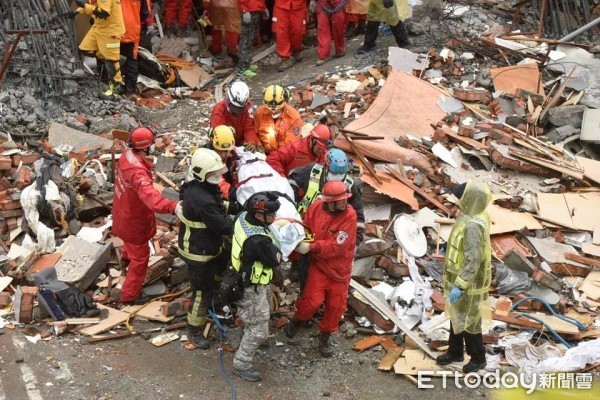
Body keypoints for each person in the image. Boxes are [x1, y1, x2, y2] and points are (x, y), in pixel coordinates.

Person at [285, 180, 357, 357]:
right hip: (319, 266)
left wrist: (312, 247)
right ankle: (299, 319)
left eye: (345, 199)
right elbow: (305, 227)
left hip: (339, 271)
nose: (344, 203)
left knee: (336, 307)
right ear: (329, 202)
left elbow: (336, 246)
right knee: (311, 302)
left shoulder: (350, 216)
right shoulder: (316, 208)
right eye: (340, 200)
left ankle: (324, 337)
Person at [112, 127, 181, 304]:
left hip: (122, 213)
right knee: (141, 258)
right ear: (145, 147)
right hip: (134, 221)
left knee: (130, 247)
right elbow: (152, 200)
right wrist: (173, 206)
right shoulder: (137, 172)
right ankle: (130, 295)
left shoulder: (127, 157)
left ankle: (126, 262)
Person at [179, 148, 235, 349]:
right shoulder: (201, 199)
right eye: (213, 174)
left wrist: (236, 206)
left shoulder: (199, 187)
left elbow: (218, 206)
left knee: (218, 275)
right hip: (198, 251)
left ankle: (217, 304)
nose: (217, 177)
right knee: (202, 290)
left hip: (208, 246)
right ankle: (194, 330)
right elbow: (222, 225)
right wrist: (242, 222)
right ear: (202, 173)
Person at [436, 181, 492, 373]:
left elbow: (473, 259)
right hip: (458, 277)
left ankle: (478, 358)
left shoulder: (474, 225)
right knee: (457, 316)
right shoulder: (470, 214)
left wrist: (461, 285)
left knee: (470, 321)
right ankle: (455, 351)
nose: (458, 202)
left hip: (469, 282)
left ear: (470, 200)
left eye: (461, 198)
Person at [231, 193, 283, 382]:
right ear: (259, 215)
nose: (274, 218)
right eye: (271, 215)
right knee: (259, 328)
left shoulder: (243, 218)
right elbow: (275, 259)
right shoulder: (259, 240)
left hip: (245, 277)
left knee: (266, 310)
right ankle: (241, 364)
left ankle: (247, 336)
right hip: (251, 286)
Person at [289, 148, 364, 243]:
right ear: (326, 166)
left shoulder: (350, 185)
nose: (337, 177)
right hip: (301, 221)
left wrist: (355, 241)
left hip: (327, 231)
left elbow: (358, 215)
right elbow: (293, 180)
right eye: (333, 173)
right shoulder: (312, 170)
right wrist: (292, 203)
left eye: (340, 174)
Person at [71, 0, 125, 100]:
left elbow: (103, 12)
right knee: (85, 49)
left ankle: (115, 90)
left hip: (110, 31)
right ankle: (112, 58)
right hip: (99, 28)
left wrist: (84, 5)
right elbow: (94, 5)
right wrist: (77, 11)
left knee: (111, 60)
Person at [266, 124, 334, 177]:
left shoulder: (325, 155)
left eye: (324, 149)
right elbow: (272, 159)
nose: (321, 151)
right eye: (319, 148)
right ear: (312, 140)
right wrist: (282, 178)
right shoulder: (294, 148)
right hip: (290, 188)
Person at [210, 81, 261, 150]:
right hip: (224, 144)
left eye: (240, 109)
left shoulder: (248, 108)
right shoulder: (219, 111)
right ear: (229, 101)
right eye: (235, 108)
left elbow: (249, 128)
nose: (237, 112)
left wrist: (251, 142)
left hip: (242, 143)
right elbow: (218, 135)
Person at [254, 85, 303, 154]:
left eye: (277, 109)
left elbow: (290, 146)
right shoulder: (259, 113)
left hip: (284, 156)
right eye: (270, 109)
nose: (273, 111)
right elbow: (254, 132)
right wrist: (258, 146)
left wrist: (274, 159)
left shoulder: (294, 118)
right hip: (264, 153)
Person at [120, 0, 146, 100]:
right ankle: (129, 91)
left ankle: (112, 89)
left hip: (113, 29)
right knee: (131, 60)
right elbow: (145, 12)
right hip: (132, 28)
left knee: (111, 59)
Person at [207, 125, 240, 202]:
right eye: (221, 151)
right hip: (210, 192)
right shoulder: (206, 159)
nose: (225, 154)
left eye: (227, 150)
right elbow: (217, 181)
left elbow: (235, 174)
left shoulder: (232, 153)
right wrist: (233, 194)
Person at [236, 0, 269, 76]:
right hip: (249, 10)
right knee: (246, 39)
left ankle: (247, 62)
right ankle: (242, 68)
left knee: (251, 38)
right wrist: (245, 10)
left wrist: (263, 8)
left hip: (255, 9)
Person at [272, 0, 307, 71]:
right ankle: (285, 57)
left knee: (298, 30)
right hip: (281, 5)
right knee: (281, 32)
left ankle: (296, 50)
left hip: (299, 4)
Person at [309, 0, 347, 65]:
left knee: (339, 27)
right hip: (322, 3)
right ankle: (323, 55)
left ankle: (340, 50)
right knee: (323, 28)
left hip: (338, 2)